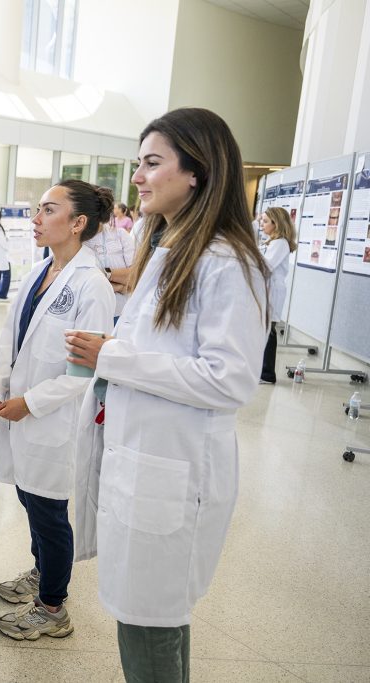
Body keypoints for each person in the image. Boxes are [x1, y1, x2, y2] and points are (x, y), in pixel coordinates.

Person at [67, 108, 269, 682]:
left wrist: (113, 357)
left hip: (173, 472)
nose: (137, 177)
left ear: (197, 173)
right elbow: (166, 350)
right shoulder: (172, 248)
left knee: (150, 625)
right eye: (139, 164)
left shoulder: (227, 261)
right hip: (146, 462)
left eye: (152, 164)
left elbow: (229, 380)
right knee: (147, 618)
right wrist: (115, 351)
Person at [0, 180, 115, 641]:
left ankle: (53, 606)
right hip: (21, 412)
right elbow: (11, 338)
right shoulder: (41, 272)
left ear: (78, 223)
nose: (35, 219)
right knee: (29, 496)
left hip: (55, 419)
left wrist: (29, 403)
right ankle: (43, 573)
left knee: (49, 514)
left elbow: (84, 374)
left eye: (48, 210)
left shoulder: (91, 286)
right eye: (38, 209)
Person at [258, 207, 297, 384]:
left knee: (269, 330)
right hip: (267, 288)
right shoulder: (272, 242)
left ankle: (267, 374)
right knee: (265, 329)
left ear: (276, 224)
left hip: (272, 290)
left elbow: (266, 266)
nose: (262, 224)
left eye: (265, 221)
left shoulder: (280, 243)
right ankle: (262, 370)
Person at [84, 212, 136, 320]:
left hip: (121, 313)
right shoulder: (75, 240)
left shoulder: (119, 235)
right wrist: (121, 286)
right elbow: (81, 284)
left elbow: (135, 277)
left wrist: (105, 274)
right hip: (88, 314)